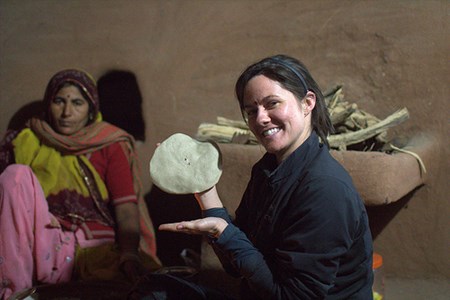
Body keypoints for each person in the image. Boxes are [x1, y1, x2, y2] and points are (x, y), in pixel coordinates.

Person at [159, 55, 374, 299]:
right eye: (251, 111)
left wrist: (225, 232)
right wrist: (204, 188)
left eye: (272, 104)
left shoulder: (325, 190)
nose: (260, 118)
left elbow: (291, 296)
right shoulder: (268, 170)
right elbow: (235, 263)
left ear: (307, 103)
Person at [0, 69, 160, 299]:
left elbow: (125, 208)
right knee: (15, 174)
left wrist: (129, 254)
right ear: (49, 103)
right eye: (59, 101)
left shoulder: (108, 143)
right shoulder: (29, 139)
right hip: (42, 238)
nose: (67, 112)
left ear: (91, 109)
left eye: (77, 103)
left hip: (92, 244)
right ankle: (16, 292)